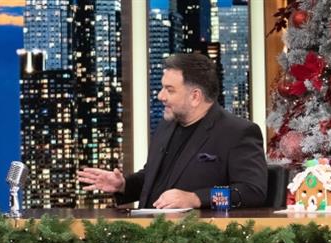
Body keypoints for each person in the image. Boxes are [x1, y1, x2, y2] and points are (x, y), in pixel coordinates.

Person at [78, 53, 267, 209]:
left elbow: (251, 192)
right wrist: (123, 185)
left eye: (169, 90)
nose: (161, 96)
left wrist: (196, 198)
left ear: (195, 97)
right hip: (147, 232)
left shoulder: (238, 132)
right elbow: (151, 179)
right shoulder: (166, 126)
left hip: (197, 236)